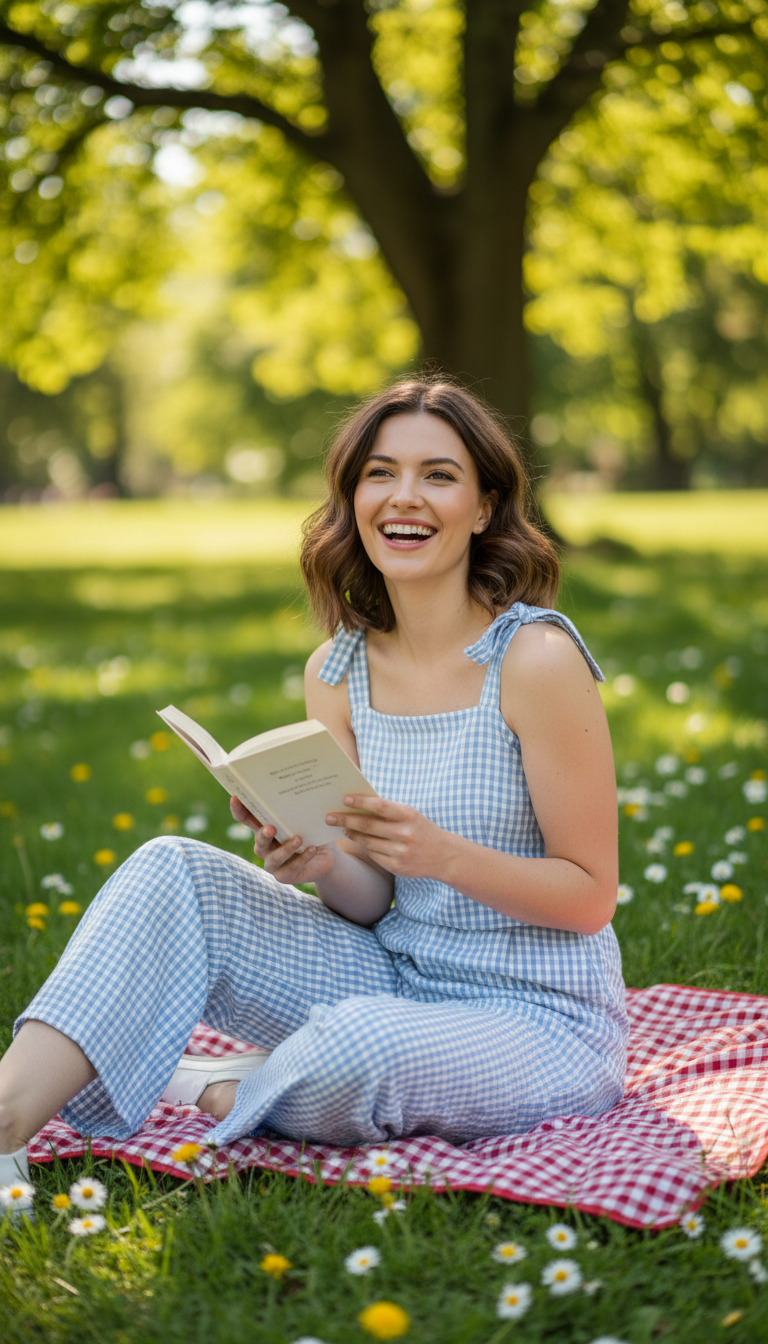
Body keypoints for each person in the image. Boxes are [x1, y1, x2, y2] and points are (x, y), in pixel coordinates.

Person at [0, 379, 627, 1195]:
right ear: (353, 498)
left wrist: (439, 856)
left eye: (439, 475)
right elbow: (371, 905)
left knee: (358, 1048)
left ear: (484, 508)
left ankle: (214, 1086)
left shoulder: (536, 660)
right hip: (390, 971)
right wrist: (320, 860)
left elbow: (590, 897)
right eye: (380, 473)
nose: (405, 497)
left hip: (537, 1020)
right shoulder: (337, 670)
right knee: (173, 868)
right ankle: (9, 1120)